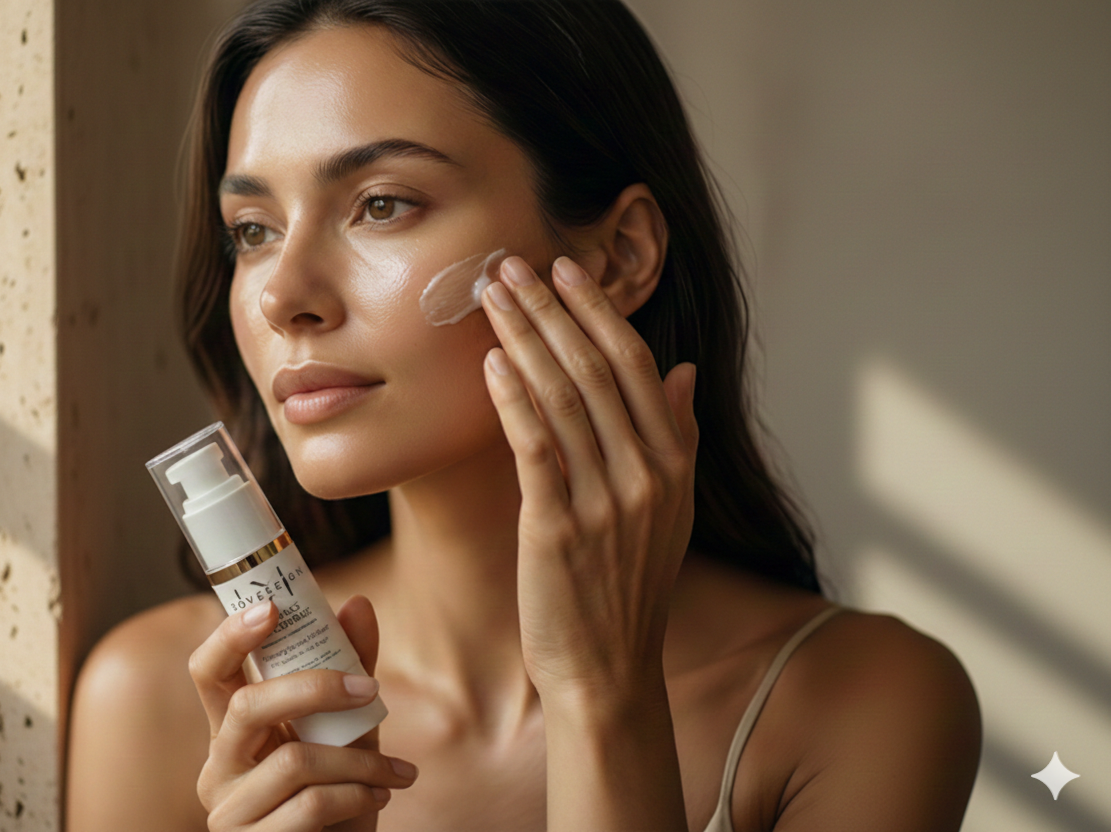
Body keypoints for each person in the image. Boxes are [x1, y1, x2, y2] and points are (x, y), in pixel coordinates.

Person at [64, 1, 982, 830]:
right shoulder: (158, 706)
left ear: (619, 255)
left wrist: (601, 699)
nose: (282, 297)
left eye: (382, 204)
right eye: (253, 231)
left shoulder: (863, 704)